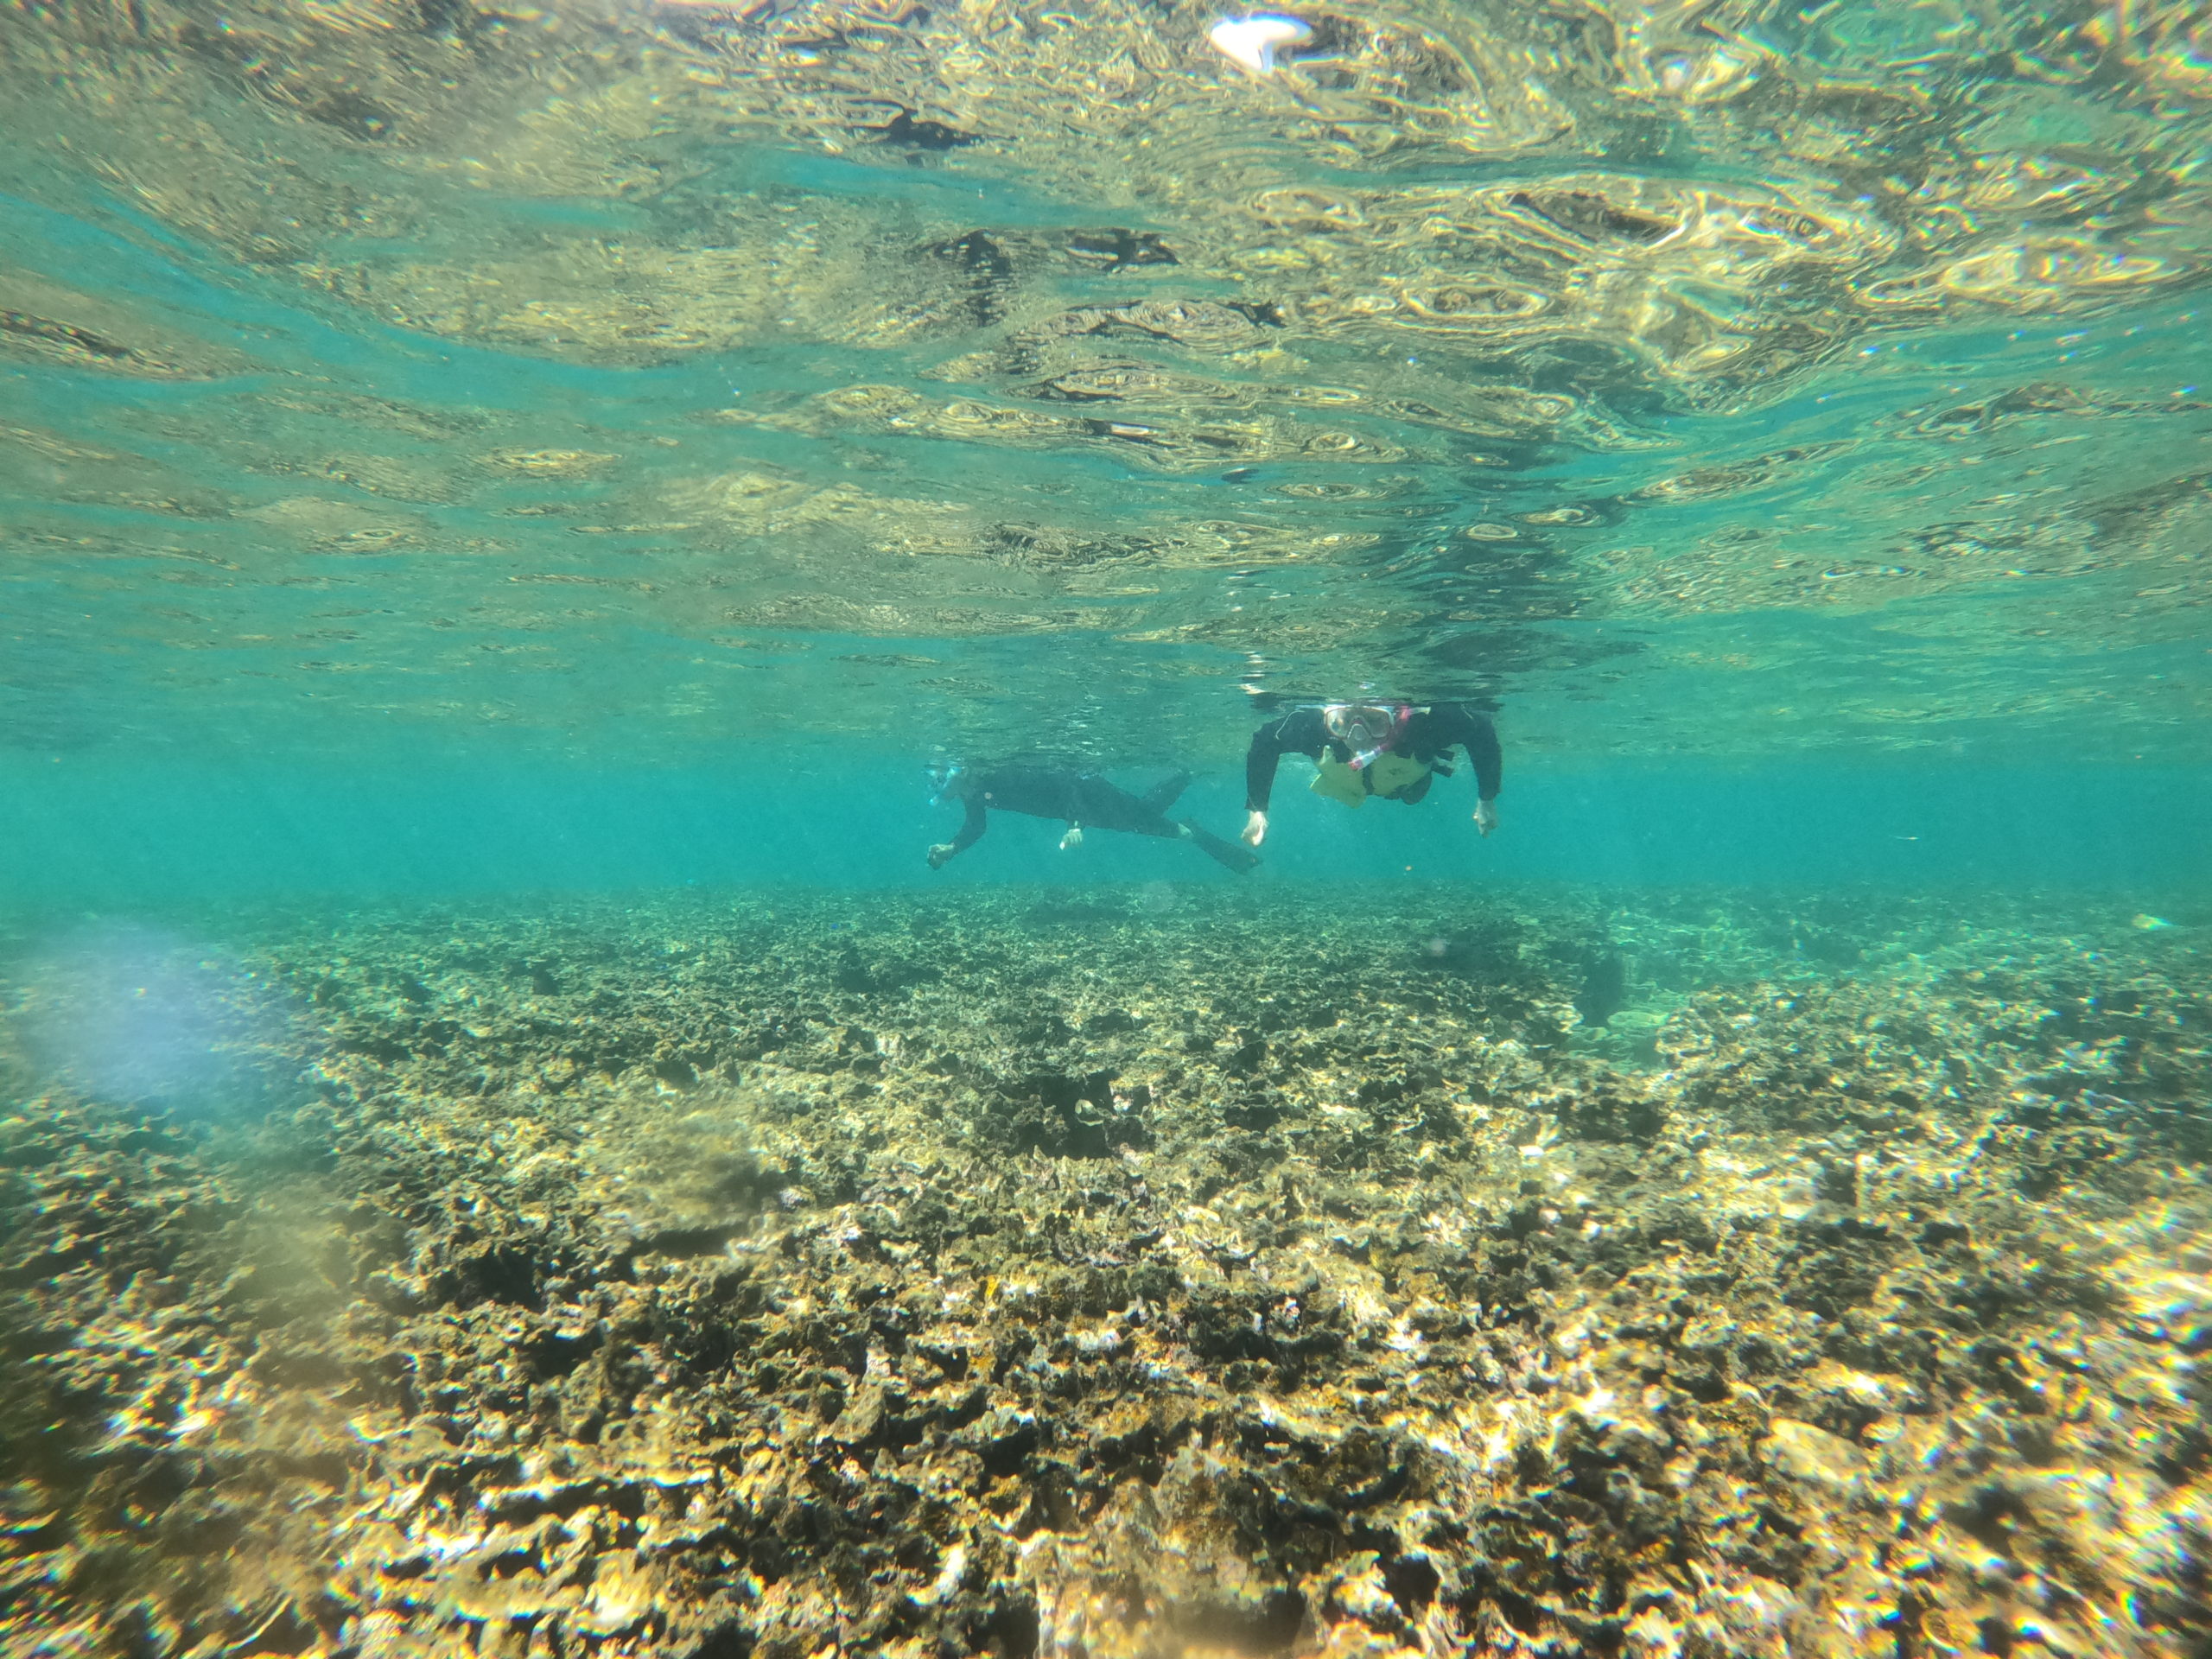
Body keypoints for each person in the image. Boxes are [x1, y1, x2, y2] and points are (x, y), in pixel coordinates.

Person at [1242, 700, 1501, 847]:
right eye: (1342, 723)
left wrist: (1486, 798)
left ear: (1399, 718)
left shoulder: (1423, 726)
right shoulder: (1312, 727)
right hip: (1345, 785)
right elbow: (1265, 742)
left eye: (1374, 721)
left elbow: (1480, 728)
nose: (1358, 736)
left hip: (1406, 784)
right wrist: (1258, 809)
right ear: (1327, 719)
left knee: (1414, 796)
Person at [926, 764, 1261, 873]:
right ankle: (1185, 783)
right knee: (1144, 817)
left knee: (1148, 820)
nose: (943, 789)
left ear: (960, 773)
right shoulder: (974, 791)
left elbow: (1065, 783)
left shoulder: (999, 773)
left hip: (1091, 795)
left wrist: (1076, 824)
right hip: (1083, 811)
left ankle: (1194, 810)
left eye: (944, 780)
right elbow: (976, 826)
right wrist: (951, 848)